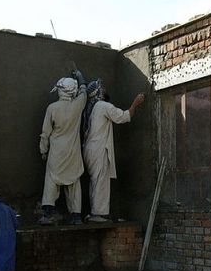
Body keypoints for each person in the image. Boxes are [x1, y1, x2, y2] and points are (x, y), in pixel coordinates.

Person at [82, 80, 145, 222]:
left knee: (95, 180)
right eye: (102, 88)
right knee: (100, 181)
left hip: (89, 149)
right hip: (98, 149)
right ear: (98, 92)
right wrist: (136, 103)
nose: (105, 89)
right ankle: (97, 214)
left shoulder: (91, 108)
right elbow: (123, 117)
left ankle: (95, 212)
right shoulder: (103, 106)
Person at [39, 74, 87, 225]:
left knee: (51, 182)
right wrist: (80, 77)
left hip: (56, 152)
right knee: (74, 183)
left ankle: (47, 214)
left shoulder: (52, 108)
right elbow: (84, 91)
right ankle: (76, 216)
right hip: (73, 152)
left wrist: (43, 150)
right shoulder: (78, 105)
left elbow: (45, 133)